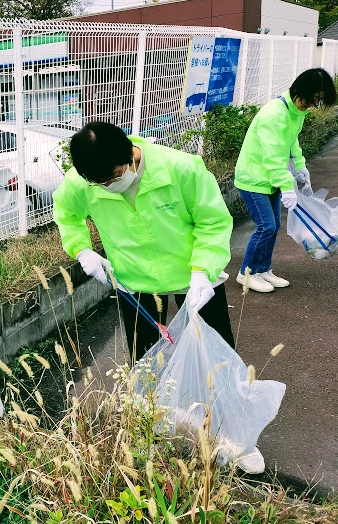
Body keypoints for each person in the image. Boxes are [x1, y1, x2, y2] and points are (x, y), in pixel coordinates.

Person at [53, 122, 268, 472]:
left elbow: (212, 222)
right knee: (145, 359)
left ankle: (235, 435)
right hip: (134, 283)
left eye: (113, 177)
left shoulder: (181, 169)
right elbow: (66, 212)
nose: (108, 187)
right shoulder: (86, 180)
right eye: (99, 184)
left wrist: (202, 270)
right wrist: (82, 251)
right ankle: (152, 422)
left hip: (193, 279)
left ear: (129, 156)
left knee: (217, 354)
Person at [234, 68, 338, 293]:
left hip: (269, 177)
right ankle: (246, 273)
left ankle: (262, 269)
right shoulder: (275, 114)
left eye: (318, 101)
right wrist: (286, 187)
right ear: (301, 91)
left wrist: (301, 167)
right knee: (266, 226)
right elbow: (272, 157)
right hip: (254, 178)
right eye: (313, 99)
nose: (312, 105)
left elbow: (291, 143)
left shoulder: (295, 112)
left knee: (274, 226)